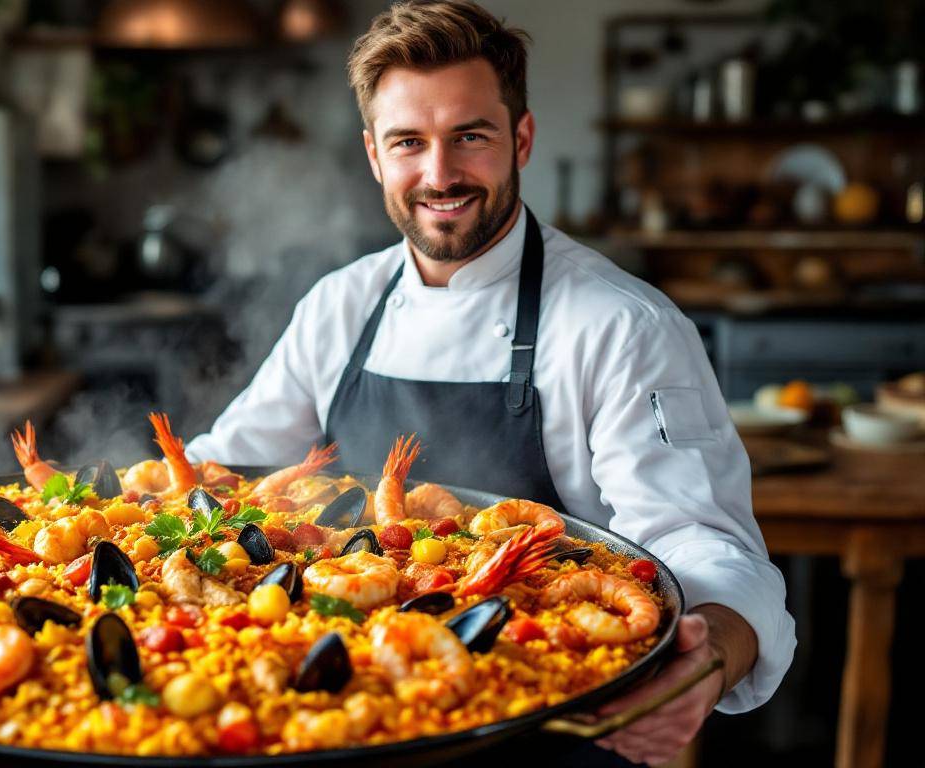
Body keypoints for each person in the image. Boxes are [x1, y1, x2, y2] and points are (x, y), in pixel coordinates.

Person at [186, 1, 796, 765]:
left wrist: (704, 666)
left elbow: (705, 547)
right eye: (410, 143)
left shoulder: (622, 325)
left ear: (522, 139)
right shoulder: (341, 305)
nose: (439, 175)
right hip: (347, 730)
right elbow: (222, 476)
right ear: (375, 154)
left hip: (539, 731)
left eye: (469, 137)